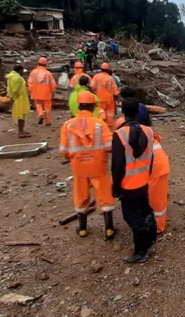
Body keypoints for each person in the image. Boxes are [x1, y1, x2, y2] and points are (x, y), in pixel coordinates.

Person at [60, 91, 116, 240]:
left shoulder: (68, 125)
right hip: (98, 166)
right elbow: (110, 146)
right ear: (92, 107)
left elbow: (64, 150)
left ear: (79, 106)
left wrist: (74, 157)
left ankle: (83, 229)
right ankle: (109, 229)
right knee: (104, 194)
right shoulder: (99, 124)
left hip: (79, 167)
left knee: (81, 195)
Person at [112, 98, 158, 263]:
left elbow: (117, 164)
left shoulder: (119, 134)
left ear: (123, 112)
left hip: (128, 184)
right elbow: (151, 156)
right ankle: (150, 239)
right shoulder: (149, 131)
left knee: (132, 218)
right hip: (143, 180)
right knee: (145, 211)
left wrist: (116, 186)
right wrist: (148, 173)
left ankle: (141, 252)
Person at [28, 57, 56, 126]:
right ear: (45, 64)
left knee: (38, 104)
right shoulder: (48, 73)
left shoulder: (33, 72)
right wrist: (52, 91)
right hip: (47, 93)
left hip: (36, 92)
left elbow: (30, 82)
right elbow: (53, 84)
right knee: (47, 107)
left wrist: (31, 90)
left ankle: (40, 114)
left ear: (38, 63)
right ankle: (47, 121)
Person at [6, 64, 31, 138]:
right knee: (21, 116)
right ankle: (21, 132)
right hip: (20, 99)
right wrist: (15, 97)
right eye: (22, 70)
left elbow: (9, 89)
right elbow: (16, 90)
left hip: (17, 99)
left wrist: (11, 97)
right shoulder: (17, 78)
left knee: (21, 116)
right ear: (19, 70)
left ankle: (22, 130)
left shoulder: (11, 77)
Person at [91, 63, 119, 127]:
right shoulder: (110, 78)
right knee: (109, 111)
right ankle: (109, 124)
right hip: (109, 99)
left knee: (100, 111)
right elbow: (115, 89)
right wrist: (117, 95)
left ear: (101, 69)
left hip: (99, 98)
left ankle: (100, 124)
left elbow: (92, 87)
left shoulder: (96, 77)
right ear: (108, 70)